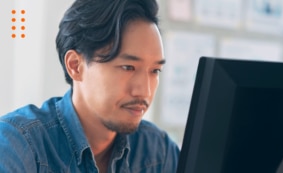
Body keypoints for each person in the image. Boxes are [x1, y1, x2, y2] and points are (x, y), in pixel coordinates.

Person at [0, 0, 180, 172]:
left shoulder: (159, 152)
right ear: (75, 66)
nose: (145, 91)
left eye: (155, 71)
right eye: (128, 67)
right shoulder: (17, 146)